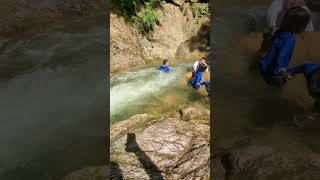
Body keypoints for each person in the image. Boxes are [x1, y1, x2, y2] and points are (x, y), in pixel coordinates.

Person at [260, 7, 320, 87]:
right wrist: (281, 70)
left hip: (264, 68)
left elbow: (271, 46)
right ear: (298, 25)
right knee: (275, 94)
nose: (305, 28)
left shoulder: (279, 31)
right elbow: (282, 54)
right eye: (305, 25)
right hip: (275, 75)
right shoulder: (289, 39)